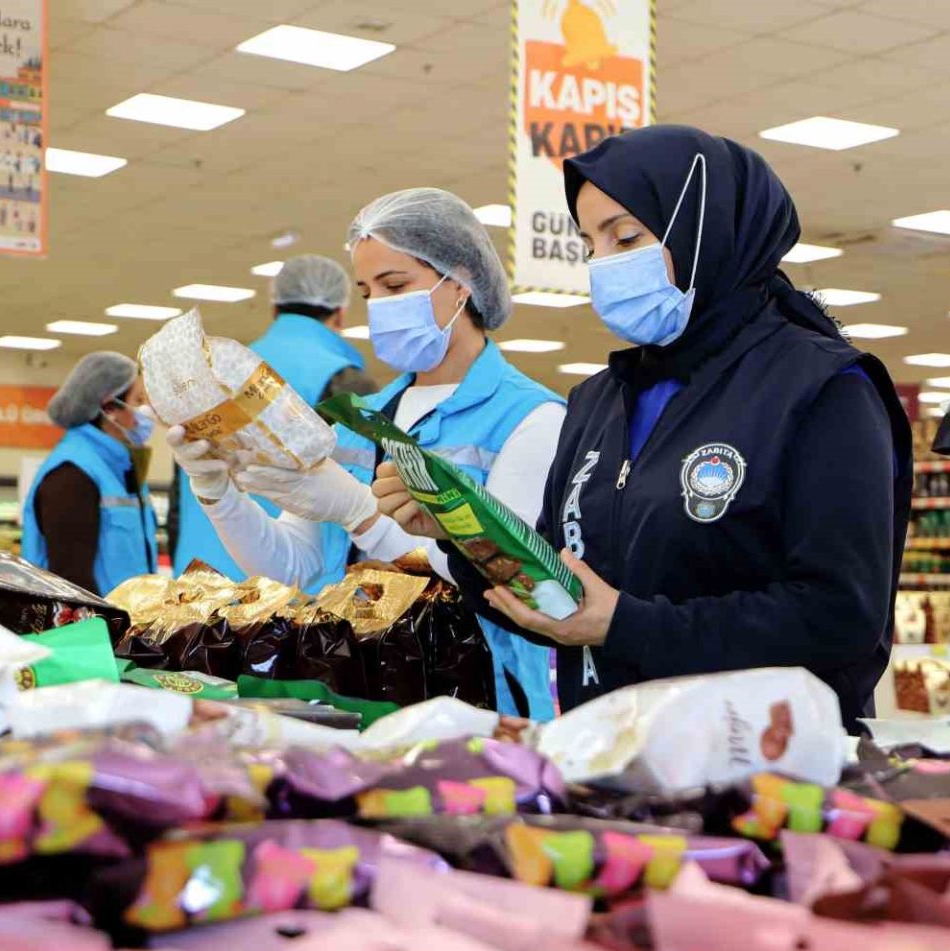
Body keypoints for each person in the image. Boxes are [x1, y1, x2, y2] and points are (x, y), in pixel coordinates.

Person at [373, 125, 913, 728]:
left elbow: (840, 616)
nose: (604, 264)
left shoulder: (823, 389)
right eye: (590, 245)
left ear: (706, 230)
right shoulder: (599, 401)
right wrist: (461, 533)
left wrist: (626, 624)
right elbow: (561, 595)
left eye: (626, 237)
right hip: (611, 749)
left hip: (764, 758)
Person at [164, 188, 566, 718]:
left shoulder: (531, 420)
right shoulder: (358, 421)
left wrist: (361, 512)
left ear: (461, 282)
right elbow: (291, 566)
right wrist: (218, 493)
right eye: (367, 291)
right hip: (355, 694)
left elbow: (515, 584)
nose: (379, 306)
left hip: (480, 706)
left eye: (395, 285)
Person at [171, 254, 375, 586]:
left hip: (199, 583)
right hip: (289, 595)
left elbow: (186, 489)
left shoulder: (213, 375)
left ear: (274, 308)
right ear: (340, 313)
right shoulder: (343, 381)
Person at [21, 352, 157, 596]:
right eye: (138, 400)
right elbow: (72, 583)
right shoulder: (72, 474)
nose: (146, 412)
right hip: (100, 620)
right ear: (109, 408)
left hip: (132, 618)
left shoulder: (121, 468)